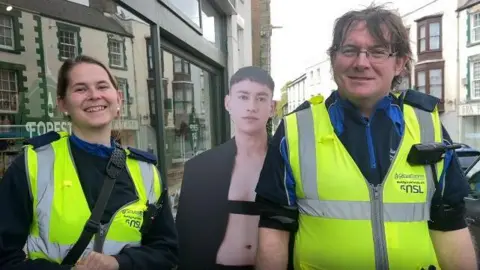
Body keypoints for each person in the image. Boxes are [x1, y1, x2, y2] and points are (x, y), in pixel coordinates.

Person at [254, 5, 477, 270]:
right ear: (333, 58)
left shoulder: (429, 127)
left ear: (400, 63)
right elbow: (274, 228)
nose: (361, 62)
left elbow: (450, 224)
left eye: (378, 51)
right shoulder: (295, 130)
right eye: (349, 50)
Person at [0, 55, 178, 270]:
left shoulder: (147, 171)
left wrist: (119, 263)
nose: (94, 95)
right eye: (80, 89)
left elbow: (166, 251)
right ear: (63, 104)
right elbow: (5, 258)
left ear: (118, 98)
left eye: (102, 86)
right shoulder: (31, 165)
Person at [175, 66, 276, 270]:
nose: (251, 106)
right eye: (243, 96)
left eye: (261, 98)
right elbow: (185, 238)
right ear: (228, 103)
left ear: (272, 107)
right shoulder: (200, 167)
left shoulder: (288, 164)